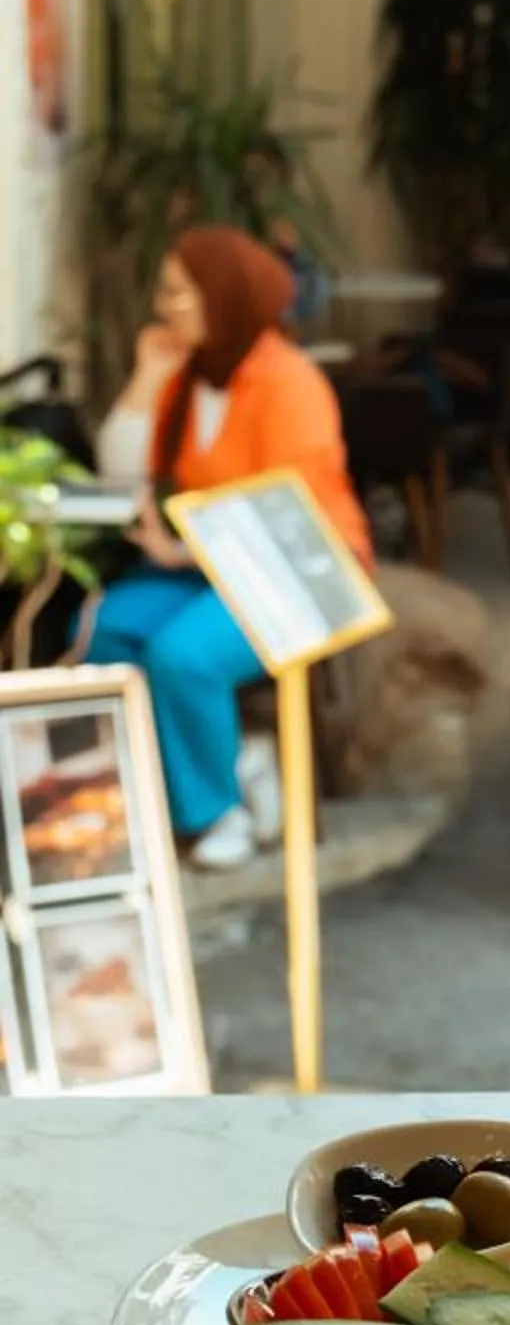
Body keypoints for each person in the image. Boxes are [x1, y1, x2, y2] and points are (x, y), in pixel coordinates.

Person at [88, 227, 371, 872]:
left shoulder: (288, 383)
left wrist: (181, 555)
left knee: (183, 655)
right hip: (213, 562)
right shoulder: (189, 377)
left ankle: (218, 810)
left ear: (223, 298)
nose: (163, 308)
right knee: (103, 632)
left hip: (302, 570)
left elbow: (285, 517)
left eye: (177, 294)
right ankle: (236, 756)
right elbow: (119, 472)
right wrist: (146, 377)